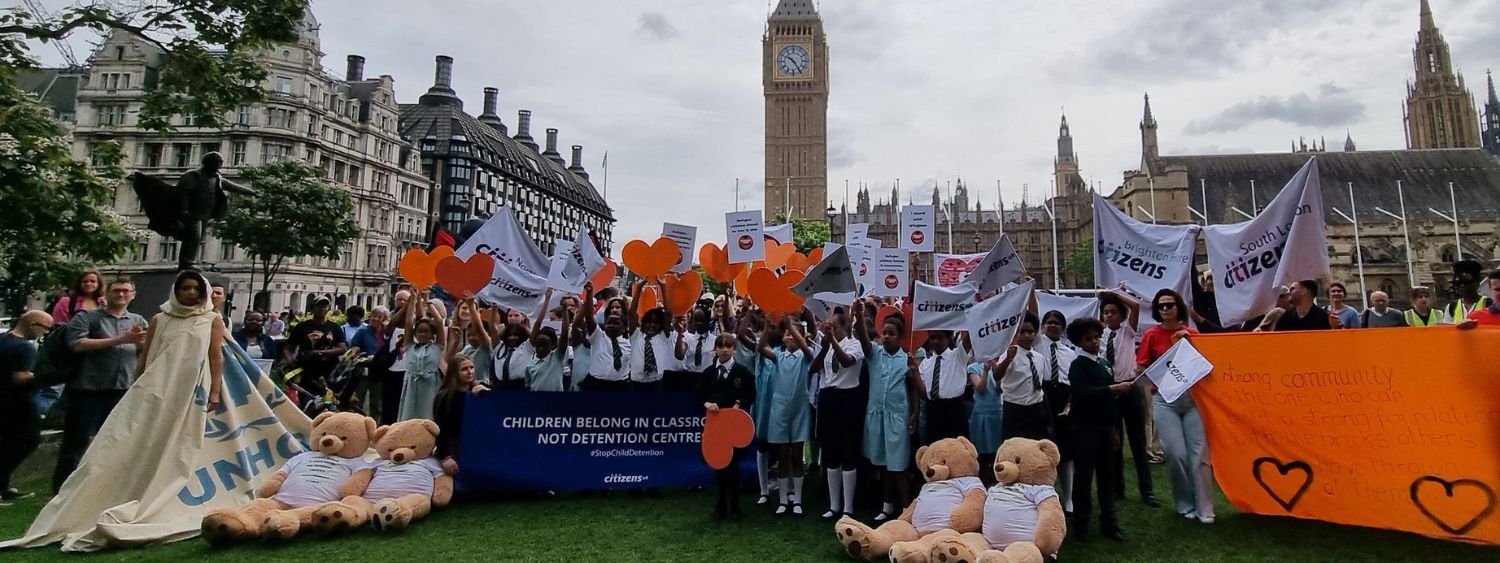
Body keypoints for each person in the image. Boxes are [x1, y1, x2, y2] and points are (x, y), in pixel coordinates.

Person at [6, 270, 229, 550]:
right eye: (185, 288)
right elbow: (145, 357)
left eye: (196, 289)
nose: (191, 294)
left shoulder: (211, 320)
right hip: (131, 390)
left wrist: (215, 389)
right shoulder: (158, 319)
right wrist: (139, 384)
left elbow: (215, 356)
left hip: (187, 391)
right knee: (106, 441)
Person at [53, 278, 148, 492]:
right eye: (116, 291)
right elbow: (76, 344)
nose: (121, 295)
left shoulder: (138, 320)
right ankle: (62, 489)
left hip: (122, 388)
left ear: (133, 295)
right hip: (88, 388)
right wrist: (121, 340)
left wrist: (142, 344)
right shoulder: (87, 317)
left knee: (115, 441)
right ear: (107, 293)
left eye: (125, 291)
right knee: (76, 441)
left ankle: (103, 487)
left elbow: (145, 350)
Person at [1139, 289, 1215, 524]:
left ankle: (1205, 508)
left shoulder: (1192, 334)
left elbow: (1207, 367)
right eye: (1161, 306)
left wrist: (1190, 343)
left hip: (1193, 401)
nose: (1165, 309)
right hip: (1165, 400)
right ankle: (1184, 504)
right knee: (1175, 453)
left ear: (1178, 307)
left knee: (1199, 455)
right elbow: (1141, 369)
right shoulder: (1151, 335)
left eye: (1170, 305)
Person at [1065, 317, 1129, 542]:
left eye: (1097, 337)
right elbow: (1082, 393)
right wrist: (1112, 388)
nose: (1094, 341)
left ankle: (1109, 523)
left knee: (1107, 476)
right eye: (1089, 338)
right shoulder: (1077, 365)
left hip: (1105, 426)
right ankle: (1081, 524)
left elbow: (1108, 401)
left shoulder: (1104, 363)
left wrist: (1114, 429)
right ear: (1079, 341)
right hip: (1084, 427)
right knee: (1084, 476)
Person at [855, 301, 918, 522]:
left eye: (891, 334)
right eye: (884, 333)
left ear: (900, 337)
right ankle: (887, 506)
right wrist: (860, 317)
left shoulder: (906, 359)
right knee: (885, 466)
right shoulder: (875, 355)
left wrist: (914, 414)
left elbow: (913, 390)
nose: (886, 337)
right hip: (877, 417)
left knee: (899, 465)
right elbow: (864, 341)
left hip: (897, 418)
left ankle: (906, 509)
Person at [1098, 290, 1158, 508]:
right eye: (1106, 312)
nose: (1109, 316)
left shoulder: (1128, 332)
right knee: (1114, 443)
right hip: (1110, 391)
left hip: (1130, 389)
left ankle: (1147, 490)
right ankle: (1117, 487)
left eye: (1113, 312)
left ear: (1121, 316)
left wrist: (1111, 293)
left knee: (1138, 443)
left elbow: (1135, 306)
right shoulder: (1100, 336)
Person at [758, 314, 814, 516]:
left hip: (799, 409)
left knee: (797, 455)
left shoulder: (805, 356)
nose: (790, 336)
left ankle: (797, 499)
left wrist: (793, 327)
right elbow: (760, 348)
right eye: (787, 333)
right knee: (782, 456)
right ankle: (783, 499)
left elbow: (807, 352)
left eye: (794, 334)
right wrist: (766, 326)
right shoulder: (778, 356)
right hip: (780, 410)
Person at [697, 333, 756, 520]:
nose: (724, 349)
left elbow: (751, 394)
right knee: (720, 465)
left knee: (734, 466)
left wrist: (740, 402)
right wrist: (707, 404)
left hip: (734, 426)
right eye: (721, 346)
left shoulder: (742, 372)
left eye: (728, 346)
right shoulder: (709, 373)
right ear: (715, 349)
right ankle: (721, 506)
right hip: (715, 426)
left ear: (734, 349)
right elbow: (698, 394)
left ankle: (735, 507)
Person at [811, 310, 864, 520]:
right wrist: (824, 349)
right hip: (828, 398)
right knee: (831, 451)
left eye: (833, 327)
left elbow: (847, 362)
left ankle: (848, 506)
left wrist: (832, 340)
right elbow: (814, 368)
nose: (828, 330)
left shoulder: (854, 344)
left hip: (848, 399)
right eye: (827, 326)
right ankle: (834, 505)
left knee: (848, 451)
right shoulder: (827, 347)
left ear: (844, 327)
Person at [38, 270, 106, 418]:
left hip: (92, 352)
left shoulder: (103, 303)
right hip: (68, 351)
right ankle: (36, 416)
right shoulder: (67, 302)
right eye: (85, 281)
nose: (89, 284)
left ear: (99, 284)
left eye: (92, 281)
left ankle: (63, 417)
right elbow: (58, 325)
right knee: (54, 388)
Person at [1, 311, 52, 503]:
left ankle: (4, 487)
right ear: (32, 324)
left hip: (4, 401)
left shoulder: (3, 339)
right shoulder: (25, 348)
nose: (46, 332)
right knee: (27, 442)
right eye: (45, 327)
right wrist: (47, 375)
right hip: (21, 403)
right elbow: (20, 377)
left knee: (7, 443)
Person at [1037, 310, 1076, 515]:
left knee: (1066, 451)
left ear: (1063, 328)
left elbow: (1073, 382)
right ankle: (1047, 495)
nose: (1052, 326)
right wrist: (1029, 288)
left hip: (1063, 398)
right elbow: (1032, 312)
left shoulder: (1069, 353)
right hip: (1043, 397)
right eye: (1049, 322)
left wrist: (1070, 404)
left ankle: (1069, 498)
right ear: (1043, 326)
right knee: (1044, 450)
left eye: (1057, 323)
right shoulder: (1037, 344)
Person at [433, 354, 490, 477]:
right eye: (464, 369)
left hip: (478, 445)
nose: (470, 372)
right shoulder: (444, 397)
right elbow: (439, 429)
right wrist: (444, 457)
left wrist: (488, 395)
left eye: (472, 367)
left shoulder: (480, 393)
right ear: (454, 372)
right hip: (454, 447)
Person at [396, 291, 447, 421]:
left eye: (426, 332)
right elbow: (408, 322)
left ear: (432, 334)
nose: (423, 335)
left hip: (430, 385)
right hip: (411, 385)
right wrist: (413, 300)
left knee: (428, 415)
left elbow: (439, 322)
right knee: (409, 415)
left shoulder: (437, 347)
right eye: (420, 332)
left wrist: (427, 301)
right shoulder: (410, 346)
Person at [998, 312, 1048, 441]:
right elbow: (997, 375)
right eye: (1022, 332)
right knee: (1014, 447)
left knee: (1036, 446)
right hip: (1014, 408)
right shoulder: (1009, 354)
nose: (1027, 336)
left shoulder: (1039, 357)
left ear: (1035, 333)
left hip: (1036, 407)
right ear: (1016, 333)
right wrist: (1008, 360)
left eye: (1030, 332)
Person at [576, 282, 632, 392]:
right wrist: (590, 293)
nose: (611, 325)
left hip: (620, 387)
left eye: (616, 323)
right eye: (609, 323)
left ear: (624, 327)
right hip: (595, 385)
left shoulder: (630, 341)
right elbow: (589, 318)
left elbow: (633, 315)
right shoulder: (598, 337)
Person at [282, 296, 348, 389]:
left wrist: (318, 353)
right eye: (319, 305)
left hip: (329, 370)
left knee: (327, 399)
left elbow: (342, 349)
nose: (322, 308)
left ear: (328, 308)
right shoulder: (302, 327)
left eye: (325, 306)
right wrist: (289, 360)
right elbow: (288, 348)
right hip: (305, 370)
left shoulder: (334, 327)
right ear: (312, 308)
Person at [628, 280, 678, 392]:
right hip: (636, 384)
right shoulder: (636, 335)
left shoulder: (662, 336)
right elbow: (631, 314)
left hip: (655, 384)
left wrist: (663, 286)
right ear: (643, 323)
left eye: (656, 323)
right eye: (649, 322)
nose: (652, 325)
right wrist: (639, 287)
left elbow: (669, 313)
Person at [350, 306, 392, 420]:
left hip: (380, 372)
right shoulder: (362, 331)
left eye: (380, 317)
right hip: (363, 371)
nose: (376, 319)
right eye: (374, 316)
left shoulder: (387, 334)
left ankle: (374, 427)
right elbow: (353, 349)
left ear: (385, 319)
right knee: (358, 402)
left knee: (377, 403)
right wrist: (361, 354)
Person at [525, 290, 571, 392]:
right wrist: (546, 300)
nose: (541, 348)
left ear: (553, 346)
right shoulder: (530, 365)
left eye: (545, 345)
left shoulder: (556, 358)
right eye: (538, 345)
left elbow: (564, 334)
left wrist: (564, 310)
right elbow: (528, 385)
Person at [968, 358, 1003, 485]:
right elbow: (981, 388)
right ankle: (983, 483)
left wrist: (997, 371)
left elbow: (1000, 389)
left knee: (998, 452)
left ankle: (997, 482)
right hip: (981, 414)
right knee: (982, 453)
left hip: (997, 412)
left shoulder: (999, 365)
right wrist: (986, 371)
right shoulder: (973, 367)